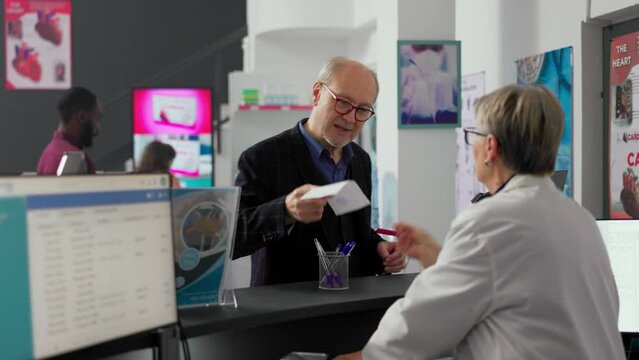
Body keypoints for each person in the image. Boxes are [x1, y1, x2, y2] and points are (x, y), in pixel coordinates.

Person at [336, 85, 625, 359]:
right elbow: (515, 289)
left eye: (473, 134)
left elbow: (417, 329)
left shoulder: (492, 220)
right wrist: (442, 258)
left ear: (490, 147)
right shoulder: (579, 218)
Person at [233, 57, 405, 286]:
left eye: (363, 110)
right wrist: (284, 210)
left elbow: (355, 234)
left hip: (350, 309)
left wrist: (379, 249)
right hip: (286, 312)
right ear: (317, 94)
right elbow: (232, 238)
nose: (351, 118)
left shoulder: (360, 160)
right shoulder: (262, 158)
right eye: (343, 102)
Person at [37, 86, 102, 175]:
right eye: (97, 119)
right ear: (82, 117)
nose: (98, 129)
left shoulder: (48, 153)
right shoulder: (75, 161)